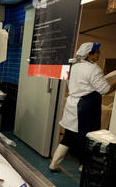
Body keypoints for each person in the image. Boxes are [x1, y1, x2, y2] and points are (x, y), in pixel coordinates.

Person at [50, 42, 116, 171]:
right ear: (89, 55)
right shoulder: (93, 69)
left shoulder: (74, 67)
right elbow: (104, 90)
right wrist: (114, 82)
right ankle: (83, 166)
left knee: (68, 136)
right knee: (86, 137)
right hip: (86, 106)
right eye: (97, 52)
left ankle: (54, 164)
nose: (99, 54)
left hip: (72, 103)